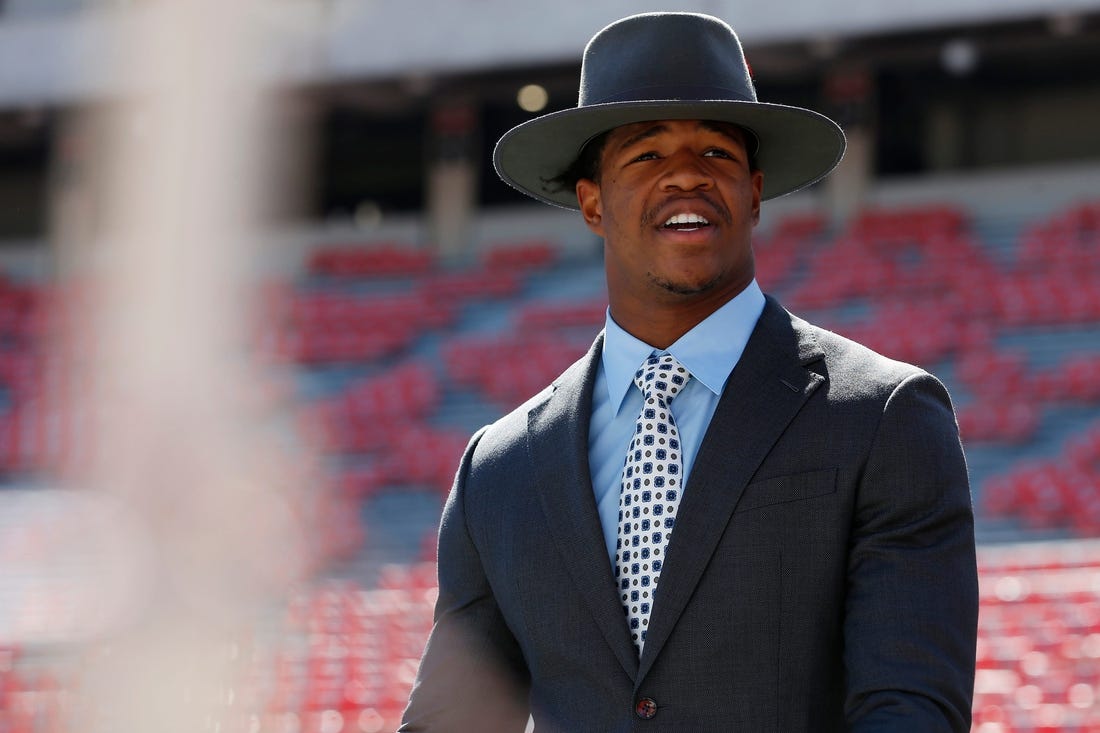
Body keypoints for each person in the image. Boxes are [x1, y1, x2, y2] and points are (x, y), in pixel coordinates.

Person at [400, 12, 978, 733]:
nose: (686, 173)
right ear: (591, 202)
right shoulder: (499, 469)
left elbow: (909, 710)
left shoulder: (884, 417)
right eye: (645, 155)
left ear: (755, 191)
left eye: (716, 151)